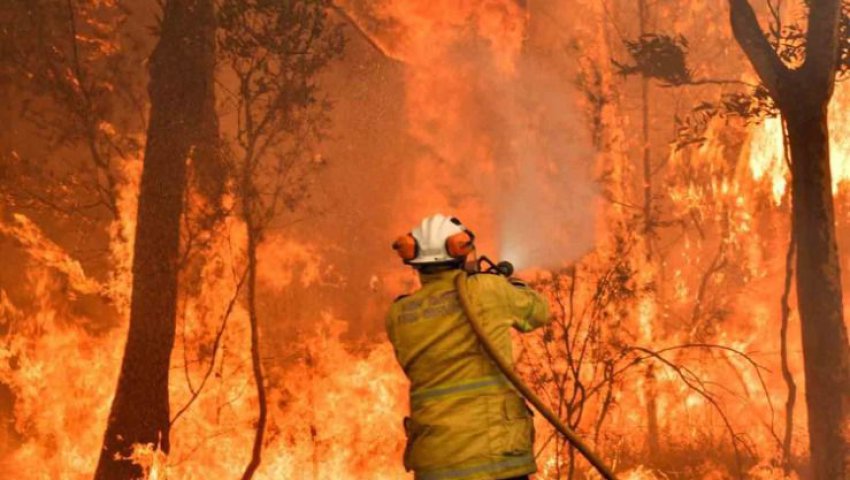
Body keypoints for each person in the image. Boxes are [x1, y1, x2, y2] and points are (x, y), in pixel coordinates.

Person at [386, 213, 550, 480]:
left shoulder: (399, 314)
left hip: (435, 464)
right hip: (495, 460)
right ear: (461, 254)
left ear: (415, 263)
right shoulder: (488, 290)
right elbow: (539, 312)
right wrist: (512, 285)